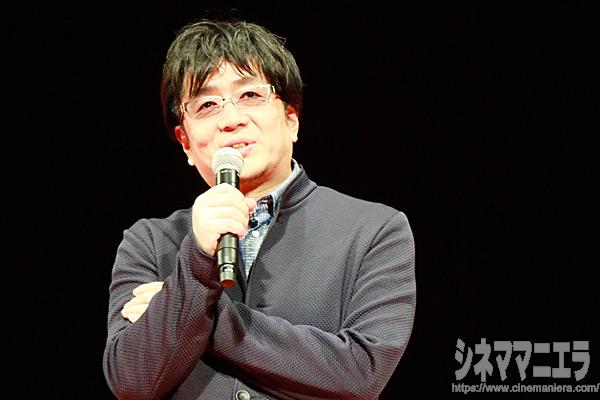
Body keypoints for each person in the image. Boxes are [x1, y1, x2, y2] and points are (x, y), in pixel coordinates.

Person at [103, 18, 416, 400]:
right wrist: (197, 261)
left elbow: (361, 374)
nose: (231, 119)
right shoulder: (149, 243)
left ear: (291, 119)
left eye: (250, 95)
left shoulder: (374, 230)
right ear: (185, 142)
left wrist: (193, 312)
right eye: (206, 104)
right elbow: (132, 382)